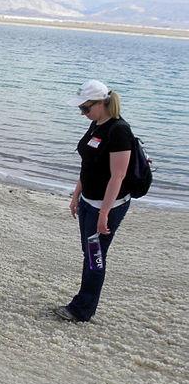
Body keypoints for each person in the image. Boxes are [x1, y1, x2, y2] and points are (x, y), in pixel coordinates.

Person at [54, 79, 134, 322]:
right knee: (89, 254)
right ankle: (82, 302)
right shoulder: (96, 124)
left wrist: (104, 214)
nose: (82, 113)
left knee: (95, 256)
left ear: (101, 104)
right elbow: (88, 165)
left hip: (107, 206)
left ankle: (82, 310)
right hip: (89, 202)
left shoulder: (118, 130)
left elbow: (118, 176)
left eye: (85, 108)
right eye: (81, 109)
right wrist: (76, 195)